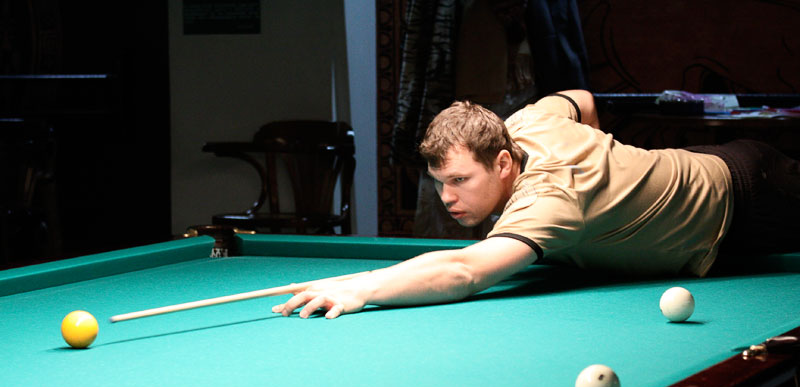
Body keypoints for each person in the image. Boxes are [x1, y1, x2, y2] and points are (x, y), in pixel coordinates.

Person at [272, 90, 800, 319]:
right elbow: (580, 100)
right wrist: (611, 177)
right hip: (704, 161)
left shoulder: (550, 200)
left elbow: (463, 271)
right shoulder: (523, 123)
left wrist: (365, 288)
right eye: (438, 183)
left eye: (460, 180)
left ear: (503, 162)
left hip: (753, 199)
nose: (447, 197)